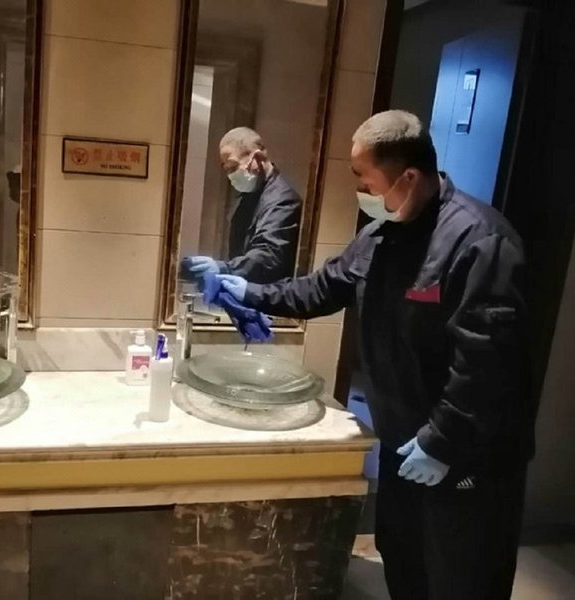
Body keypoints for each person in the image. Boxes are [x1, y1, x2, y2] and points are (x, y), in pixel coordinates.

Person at [212, 110, 536, 600]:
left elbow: (486, 364)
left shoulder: (480, 241)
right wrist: (250, 292)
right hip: (405, 443)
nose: (359, 190)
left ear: (408, 177)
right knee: (405, 566)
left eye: (365, 178)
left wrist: (441, 442)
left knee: (462, 579)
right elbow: (322, 288)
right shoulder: (382, 233)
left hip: (468, 458)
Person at [184, 127, 302, 284]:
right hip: (248, 290)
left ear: (258, 157)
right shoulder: (249, 195)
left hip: (268, 294)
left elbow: (268, 256)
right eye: (226, 169)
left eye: (233, 167)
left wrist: (225, 268)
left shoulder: (283, 200)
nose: (230, 175)